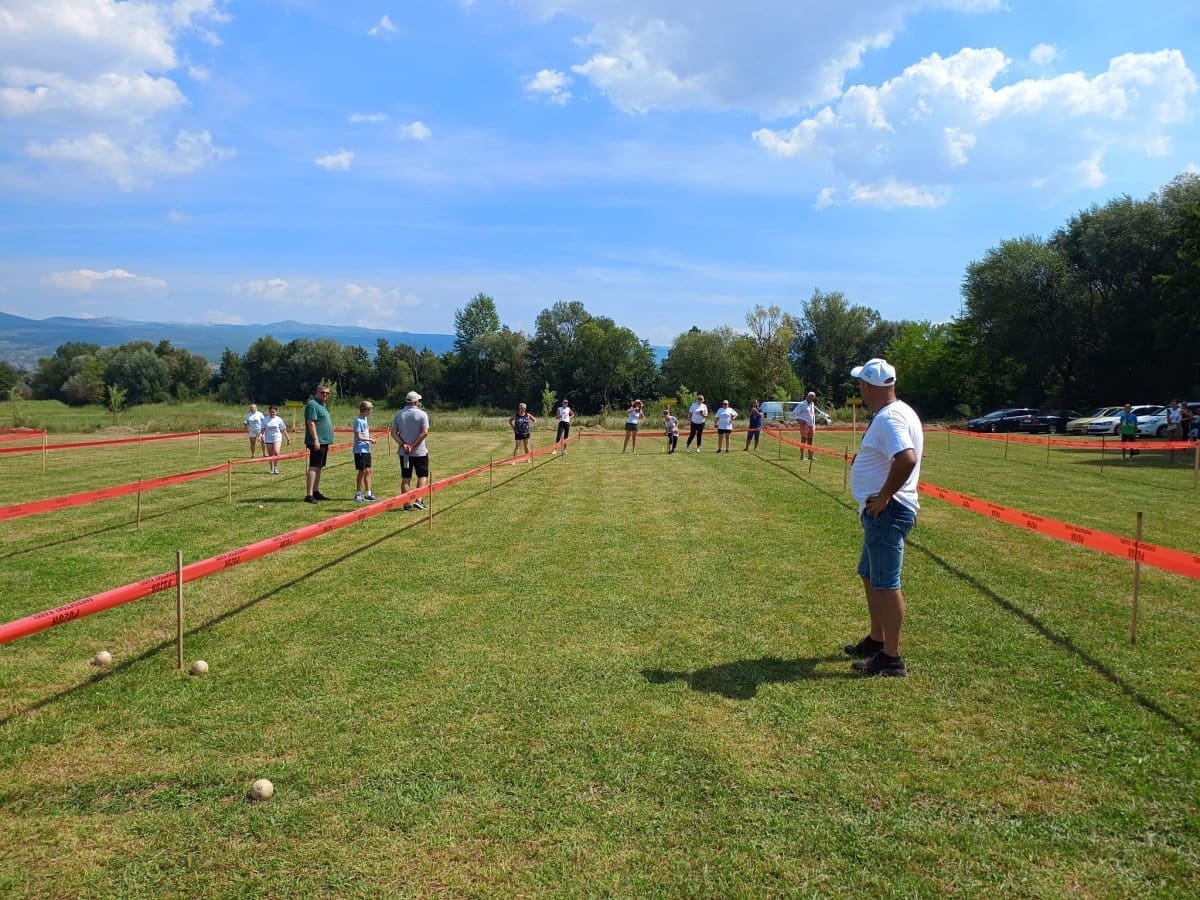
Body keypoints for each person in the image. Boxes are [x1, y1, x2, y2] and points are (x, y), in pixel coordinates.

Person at [843, 358, 923, 678]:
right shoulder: (899, 412)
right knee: (869, 574)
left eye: (861, 383)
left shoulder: (889, 418)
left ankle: (891, 656)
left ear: (868, 386)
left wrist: (886, 495)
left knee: (886, 584)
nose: (859, 389)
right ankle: (877, 639)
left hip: (887, 513)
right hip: (882, 512)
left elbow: (906, 458)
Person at [390, 390, 430, 511]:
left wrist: (403, 444)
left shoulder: (399, 414)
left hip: (404, 453)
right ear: (416, 402)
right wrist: (413, 445)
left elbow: (393, 432)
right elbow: (424, 433)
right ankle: (418, 500)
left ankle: (406, 504)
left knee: (406, 478)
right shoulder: (422, 414)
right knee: (422, 476)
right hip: (420, 452)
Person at [304, 385, 335, 503]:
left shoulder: (323, 405)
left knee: (319, 467)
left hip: (324, 441)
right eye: (323, 392)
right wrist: (316, 440)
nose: (325, 394)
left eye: (327, 393)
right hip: (317, 441)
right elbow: (311, 423)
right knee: (314, 466)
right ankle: (309, 495)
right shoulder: (312, 404)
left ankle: (315, 491)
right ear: (317, 392)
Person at [353, 400, 377, 502]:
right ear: (365, 410)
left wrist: (370, 437)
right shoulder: (358, 421)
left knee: (368, 471)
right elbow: (359, 437)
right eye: (370, 410)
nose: (371, 412)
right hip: (360, 450)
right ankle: (358, 494)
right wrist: (370, 440)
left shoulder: (365, 419)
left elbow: (365, 433)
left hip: (366, 450)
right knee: (362, 471)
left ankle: (368, 493)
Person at [794, 391, 825, 461]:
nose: (811, 399)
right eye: (810, 397)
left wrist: (814, 423)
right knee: (803, 440)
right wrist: (799, 420)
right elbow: (794, 413)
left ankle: (810, 456)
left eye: (813, 398)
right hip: (804, 425)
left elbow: (812, 414)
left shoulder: (812, 404)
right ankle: (802, 456)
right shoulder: (802, 404)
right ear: (807, 396)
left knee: (810, 440)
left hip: (812, 425)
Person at [262, 404, 289, 474]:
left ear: (276, 412)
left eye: (273, 412)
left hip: (277, 437)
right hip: (268, 438)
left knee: (276, 452)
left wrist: (287, 438)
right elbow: (263, 430)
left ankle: (276, 467)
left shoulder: (279, 419)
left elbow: (283, 429)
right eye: (270, 412)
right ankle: (271, 468)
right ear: (268, 412)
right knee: (270, 454)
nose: (272, 413)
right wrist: (260, 436)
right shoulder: (265, 419)